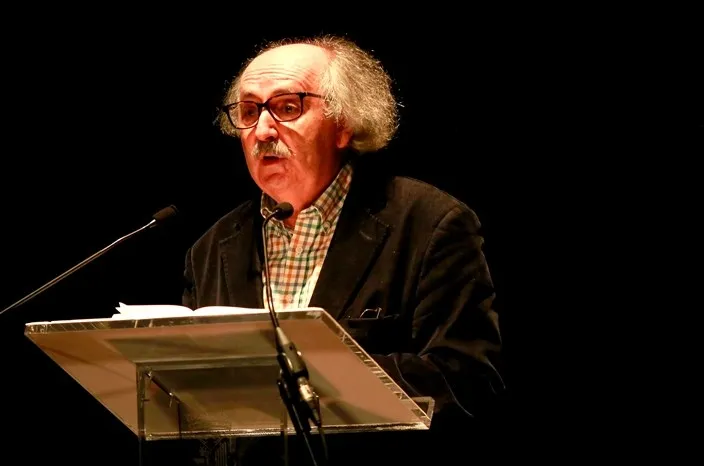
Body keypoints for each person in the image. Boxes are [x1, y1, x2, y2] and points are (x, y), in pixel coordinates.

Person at [182, 35, 506, 426]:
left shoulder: (429, 224)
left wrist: (313, 377)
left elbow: (465, 378)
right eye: (249, 112)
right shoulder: (213, 247)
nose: (263, 130)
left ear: (346, 125)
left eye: (287, 107)